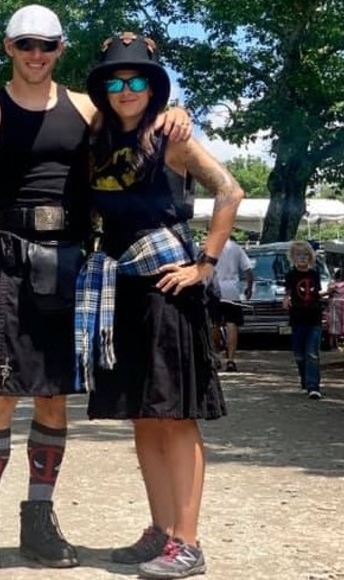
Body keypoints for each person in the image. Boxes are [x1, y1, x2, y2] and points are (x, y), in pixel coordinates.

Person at [0, 6, 192, 579]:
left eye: (47, 46)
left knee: (54, 396)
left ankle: (38, 520)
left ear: (60, 49)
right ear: (9, 47)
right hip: (12, 263)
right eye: (26, 45)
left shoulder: (86, 109)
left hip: (74, 265)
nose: (37, 55)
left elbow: (138, 119)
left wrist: (175, 111)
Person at [77, 33, 244, 579]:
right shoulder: (96, 137)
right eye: (115, 81)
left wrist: (205, 264)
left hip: (169, 290)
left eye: (137, 80)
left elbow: (230, 191)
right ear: (104, 89)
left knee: (175, 417)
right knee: (144, 417)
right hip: (122, 288)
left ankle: (188, 543)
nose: (126, 89)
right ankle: (161, 531)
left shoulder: (172, 137)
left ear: (153, 87)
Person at [283, 241, 324, 399]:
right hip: (298, 318)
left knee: (312, 353)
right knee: (299, 354)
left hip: (314, 318)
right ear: (293, 257)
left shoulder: (314, 274)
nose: (302, 258)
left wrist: (329, 292)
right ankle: (305, 381)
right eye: (299, 255)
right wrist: (286, 299)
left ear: (311, 257)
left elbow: (316, 293)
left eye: (306, 255)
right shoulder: (291, 275)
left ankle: (313, 386)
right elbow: (288, 293)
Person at [211, 237, 254, 371]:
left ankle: (216, 357)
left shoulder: (211, 246)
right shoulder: (236, 248)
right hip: (232, 290)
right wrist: (249, 287)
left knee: (215, 324)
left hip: (214, 288)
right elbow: (248, 270)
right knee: (232, 324)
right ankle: (230, 360)